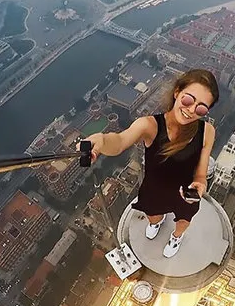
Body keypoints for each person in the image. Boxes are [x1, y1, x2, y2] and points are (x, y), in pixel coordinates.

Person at [84, 68, 218, 258]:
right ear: (177, 92)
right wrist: (103, 140)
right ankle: (156, 222)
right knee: (153, 216)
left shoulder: (207, 131)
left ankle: (176, 237)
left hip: (185, 192)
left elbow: (201, 173)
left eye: (201, 108)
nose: (191, 110)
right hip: (155, 189)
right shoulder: (150, 125)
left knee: (184, 220)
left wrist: (200, 184)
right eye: (188, 100)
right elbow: (121, 141)